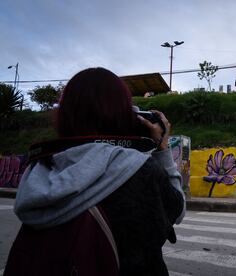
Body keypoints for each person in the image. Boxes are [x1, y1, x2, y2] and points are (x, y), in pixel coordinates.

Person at [5, 67, 186, 275]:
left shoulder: (41, 166)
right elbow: (177, 209)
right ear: (123, 114)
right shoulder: (139, 170)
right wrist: (162, 147)